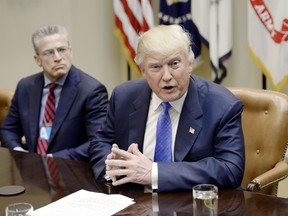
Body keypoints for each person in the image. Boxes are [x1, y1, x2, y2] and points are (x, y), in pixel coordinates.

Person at [89, 24, 245, 192]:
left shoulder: (222, 105)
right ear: (142, 70)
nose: (167, 76)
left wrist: (155, 173)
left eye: (174, 64)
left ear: (190, 64)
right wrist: (112, 166)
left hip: (192, 203)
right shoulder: (123, 96)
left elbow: (230, 168)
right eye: (155, 67)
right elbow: (101, 141)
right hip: (135, 201)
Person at [0, 24, 108, 161]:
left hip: (71, 171)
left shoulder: (91, 90)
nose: (57, 57)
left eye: (62, 50)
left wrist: (51, 159)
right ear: (37, 60)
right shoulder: (25, 87)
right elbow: (8, 130)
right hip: (32, 171)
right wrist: (19, 152)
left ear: (71, 52)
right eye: (49, 53)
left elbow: (98, 142)